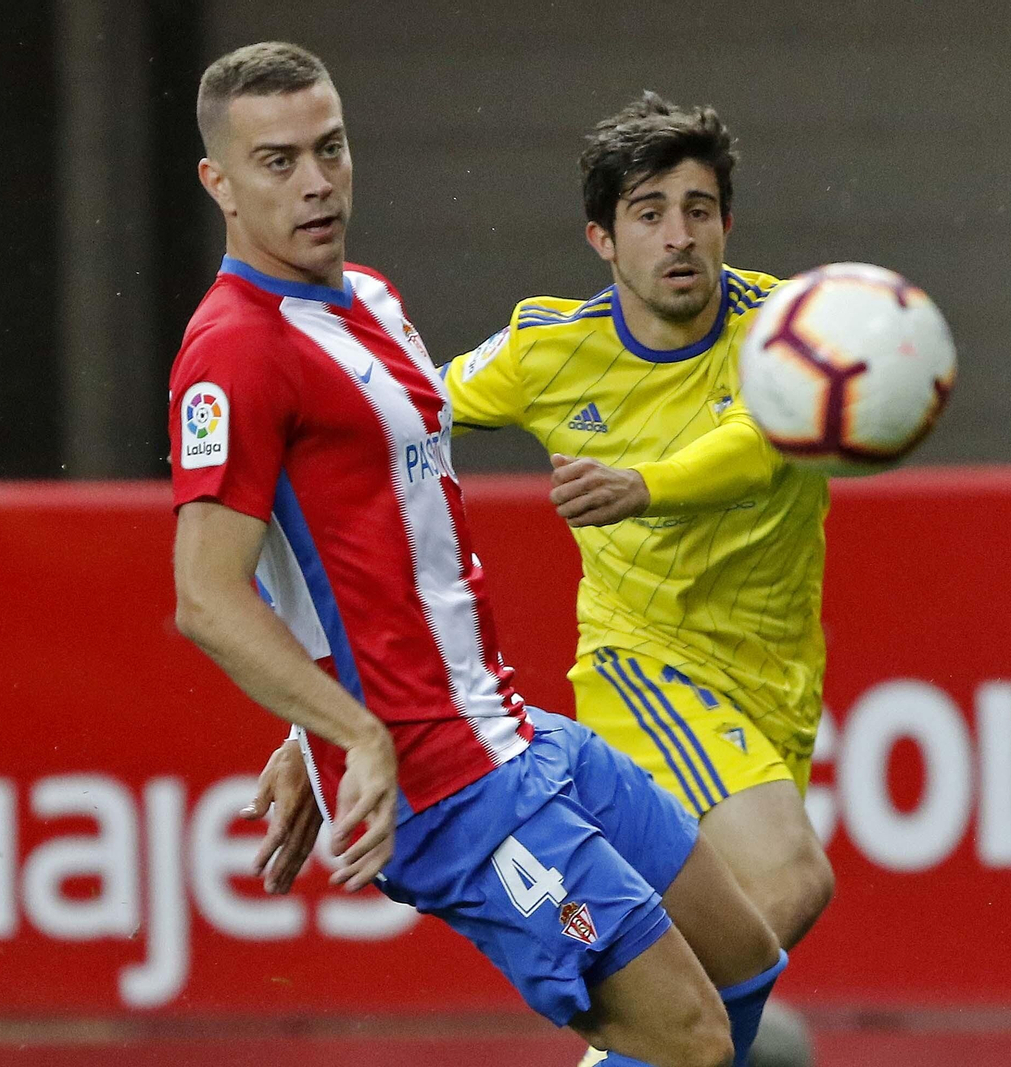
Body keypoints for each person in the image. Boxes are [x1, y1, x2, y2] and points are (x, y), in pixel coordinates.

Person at [172, 42, 786, 1067]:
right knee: (687, 1038)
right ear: (219, 183)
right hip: (439, 785)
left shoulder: (369, 297)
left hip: (509, 728)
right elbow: (204, 594)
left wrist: (303, 738)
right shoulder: (234, 348)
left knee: (742, 963)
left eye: (330, 148)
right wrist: (348, 738)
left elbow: (364, 554)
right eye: (278, 162)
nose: (317, 180)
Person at [439, 93, 835, 1064]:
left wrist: (641, 485)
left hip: (772, 685)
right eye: (650, 211)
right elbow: (405, 406)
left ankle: (629, 1048)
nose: (678, 234)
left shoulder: (785, 332)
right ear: (602, 239)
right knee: (788, 879)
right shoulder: (547, 351)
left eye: (699, 209)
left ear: (727, 226)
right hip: (646, 666)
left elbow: (760, 442)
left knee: (740, 930)